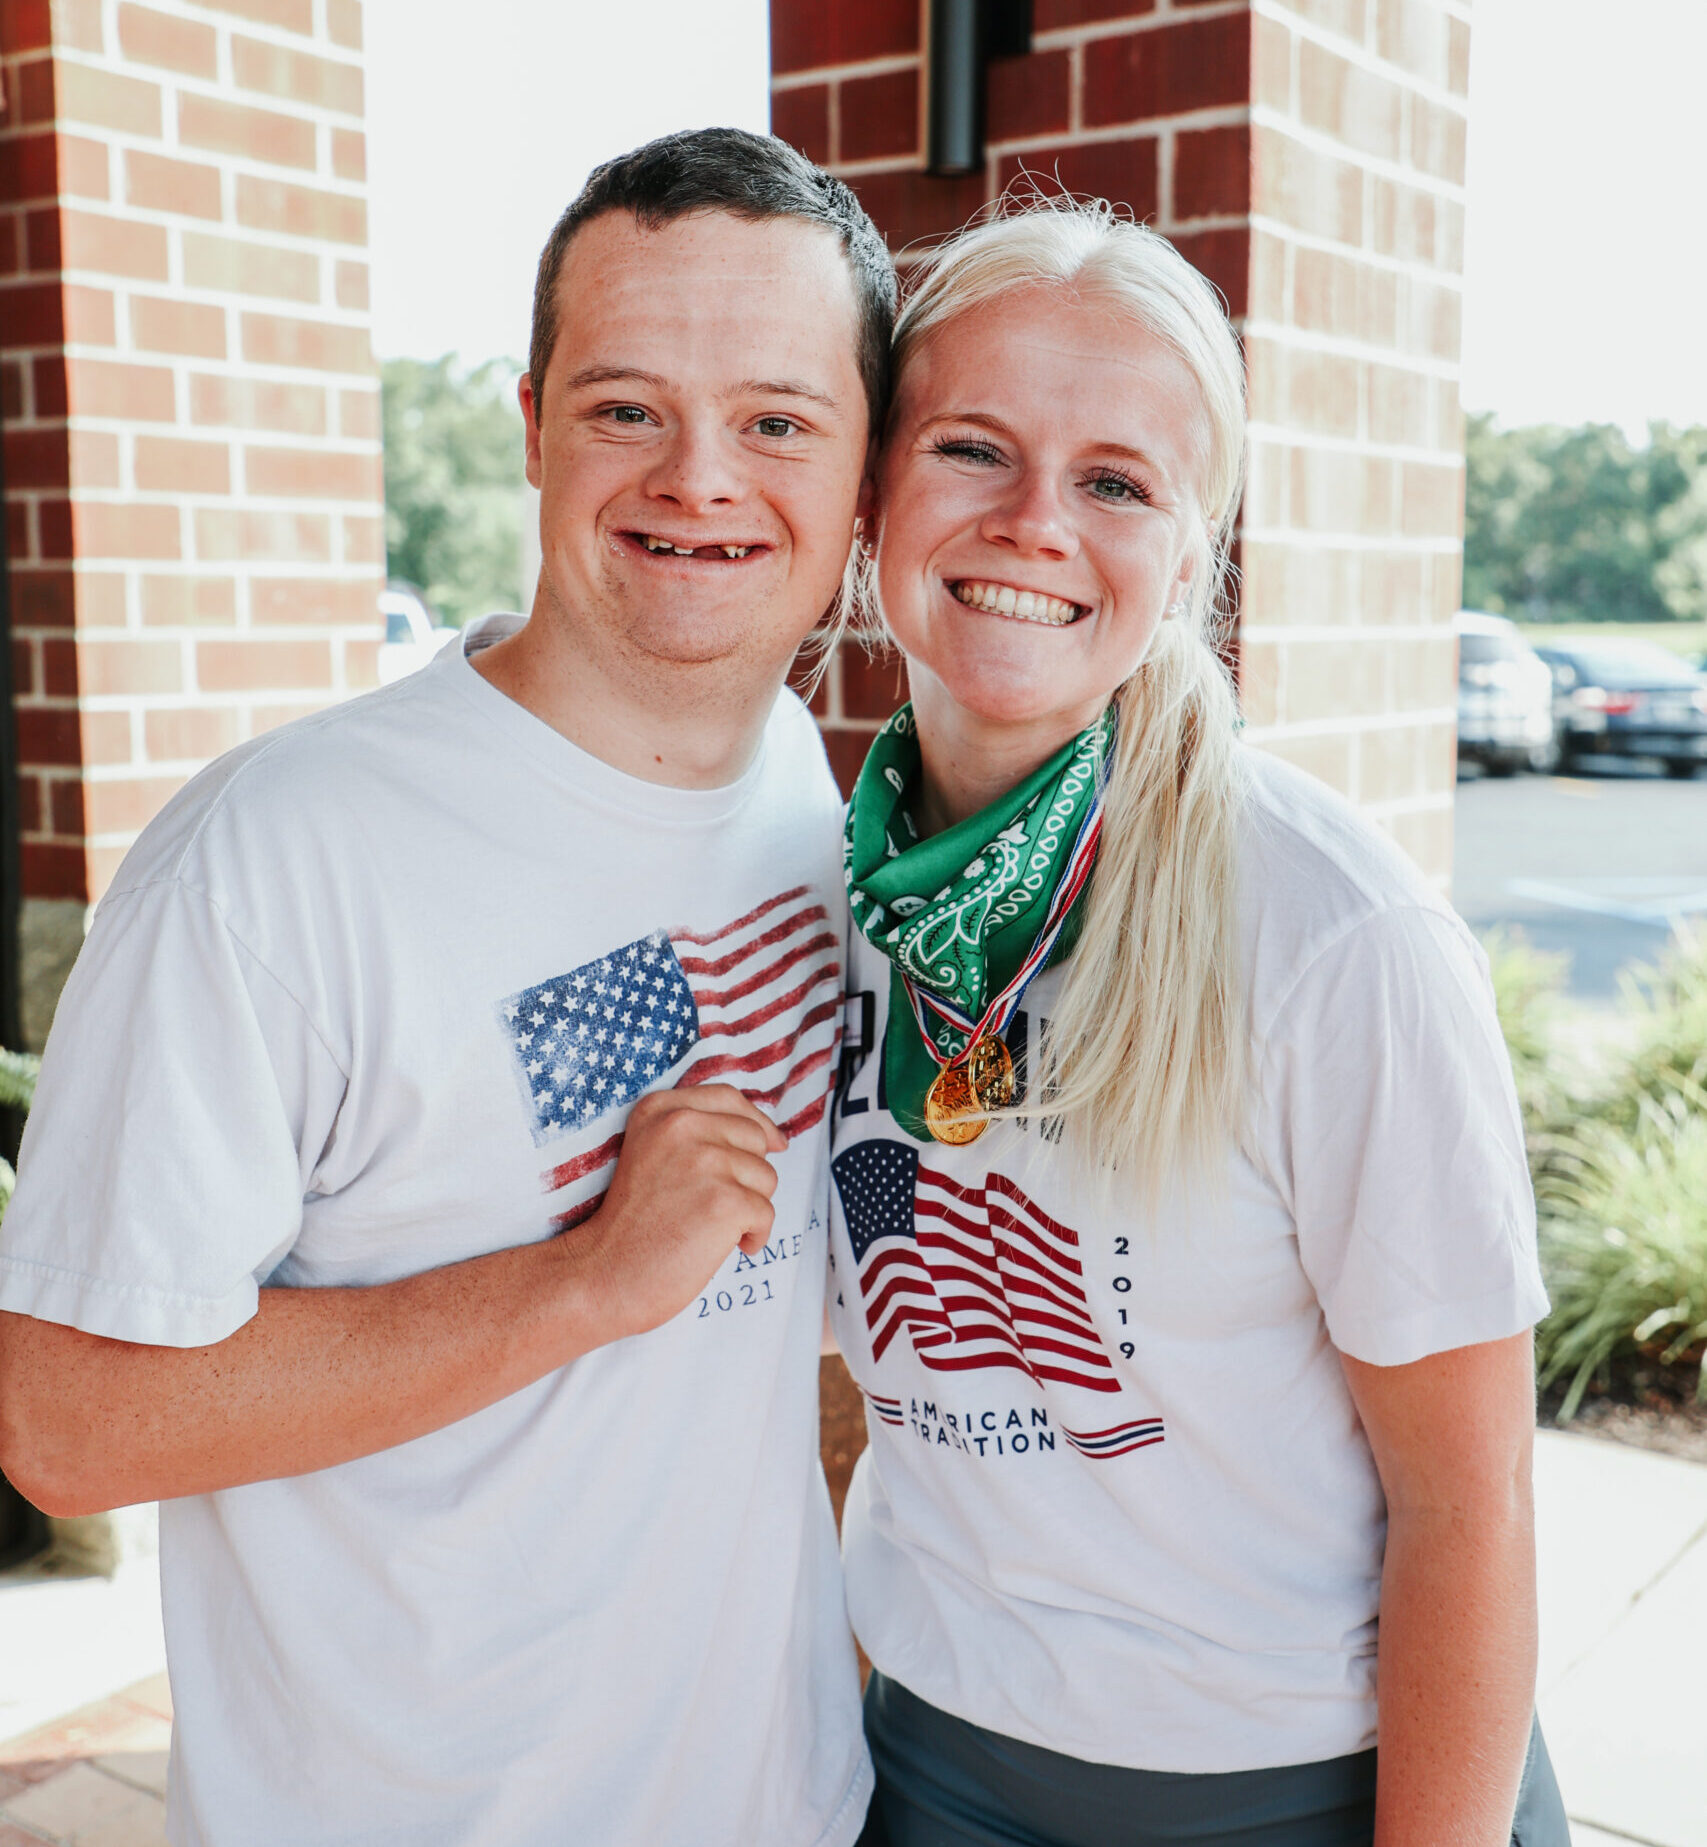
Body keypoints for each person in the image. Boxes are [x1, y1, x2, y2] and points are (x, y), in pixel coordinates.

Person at [0, 128, 893, 1847]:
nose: (700, 478)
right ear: (534, 421)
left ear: (861, 474)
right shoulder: (282, 856)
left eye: (778, 420)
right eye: (627, 405)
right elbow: (68, 1419)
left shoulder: (801, 786)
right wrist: (582, 1285)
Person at [828, 198, 1570, 1847]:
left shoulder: (1333, 934)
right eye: (971, 448)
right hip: (940, 1764)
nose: (1035, 525)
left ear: (1191, 546)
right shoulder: (829, 896)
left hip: (1304, 1792)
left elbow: (1470, 1501)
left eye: (1115, 482)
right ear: (874, 489)